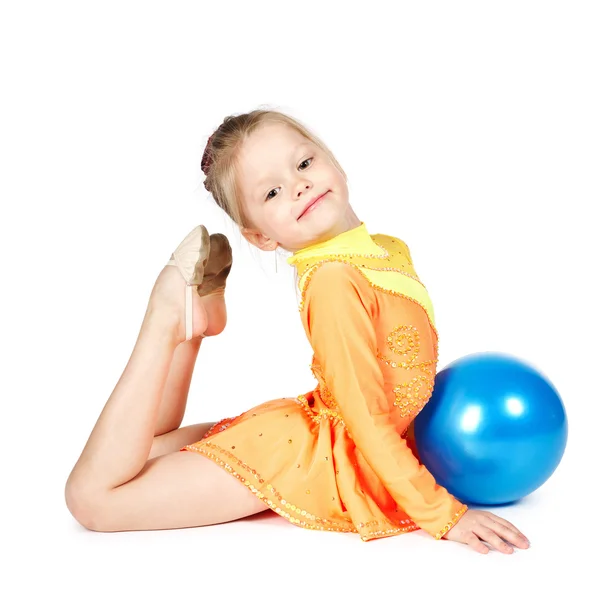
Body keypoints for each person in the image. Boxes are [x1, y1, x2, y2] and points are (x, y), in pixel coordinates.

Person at [65, 108, 530, 555]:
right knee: (93, 499)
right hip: (309, 465)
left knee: (137, 448)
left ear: (334, 163)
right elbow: (366, 416)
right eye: (272, 193)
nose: (300, 185)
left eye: (304, 163)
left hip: (305, 430)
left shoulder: (385, 249)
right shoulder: (334, 281)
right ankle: (167, 318)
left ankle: (193, 326)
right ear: (261, 237)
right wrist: (442, 514)